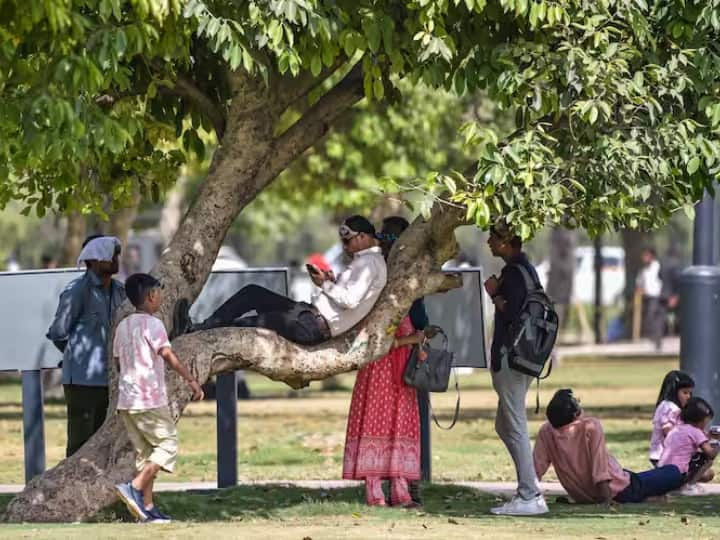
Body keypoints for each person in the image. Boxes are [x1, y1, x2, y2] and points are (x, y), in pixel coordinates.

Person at [172, 215, 387, 344]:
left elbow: (349, 300)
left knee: (247, 324)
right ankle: (201, 328)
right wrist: (332, 280)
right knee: (252, 293)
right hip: (308, 314)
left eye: (348, 242)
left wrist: (326, 284)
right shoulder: (367, 262)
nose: (345, 247)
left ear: (363, 237)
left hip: (313, 324)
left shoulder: (369, 263)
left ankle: (196, 334)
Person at [342, 216, 431, 508]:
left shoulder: (388, 274)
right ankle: (382, 492)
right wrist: (415, 339)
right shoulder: (386, 279)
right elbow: (385, 336)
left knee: (393, 424)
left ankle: (398, 490)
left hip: (396, 365)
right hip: (384, 362)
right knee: (384, 424)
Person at [114, 273, 204, 523]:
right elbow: (168, 355)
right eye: (159, 293)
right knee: (168, 445)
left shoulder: (123, 326)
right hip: (149, 398)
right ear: (151, 295)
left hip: (127, 401)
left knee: (146, 454)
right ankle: (133, 486)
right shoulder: (153, 325)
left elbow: (118, 362)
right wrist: (191, 380)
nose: (161, 297)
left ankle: (147, 508)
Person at [483, 222, 548, 515]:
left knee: (516, 424)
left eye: (494, 237)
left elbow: (512, 312)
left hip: (510, 357)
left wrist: (494, 294)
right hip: (524, 357)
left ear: (507, 241)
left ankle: (529, 495)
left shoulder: (512, 272)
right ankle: (530, 483)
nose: (488, 242)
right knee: (504, 424)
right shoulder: (528, 269)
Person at [46, 235, 126, 457]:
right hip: (83, 382)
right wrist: (74, 357)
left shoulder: (120, 291)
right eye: (110, 255)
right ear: (93, 259)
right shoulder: (77, 290)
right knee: (80, 445)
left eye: (117, 254)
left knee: (107, 444)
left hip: (111, 379)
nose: (115, 259)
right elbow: (59, 332)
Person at [534, 389, 684, 505]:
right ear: (575, 414)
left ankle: (648, 497)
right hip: (619, 489)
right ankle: (643, 498)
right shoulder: (589, 426)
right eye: (577, 403)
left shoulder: (546, 430)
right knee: (674, 472)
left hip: (582, 495)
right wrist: (607, 501)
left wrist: (529, 494)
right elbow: (599, 469)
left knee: (641, 478)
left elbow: (536, 468)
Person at [659, 397, 720, 495]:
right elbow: (711, 454)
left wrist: (708, 436)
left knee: (696, 458)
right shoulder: (696, 432)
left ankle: (680, 486)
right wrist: (717, 442)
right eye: (706, 422)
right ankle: (689, 486)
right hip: (678, 475)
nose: (706, 425)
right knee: (706, 459)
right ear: (700, 421)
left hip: (663, 472)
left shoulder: (678, 428)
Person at [649, 370, 694, 467]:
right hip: (663, 455)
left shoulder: (668, 406)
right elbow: (669, 432)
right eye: (685, 393)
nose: (689, 396)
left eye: (690, 393)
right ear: (673, 391)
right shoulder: (670, 408)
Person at [636, 247, 664, 350]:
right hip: (647, 297)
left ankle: (657, 341)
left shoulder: (658, 267)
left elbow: (662, 280)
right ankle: (655, 340)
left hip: (657, 296)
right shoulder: (643, 269)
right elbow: (640, 282)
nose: (644, 258)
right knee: (650, 319)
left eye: (646, 256)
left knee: (653, 318)